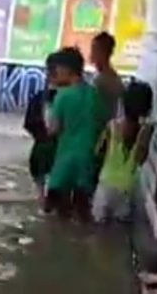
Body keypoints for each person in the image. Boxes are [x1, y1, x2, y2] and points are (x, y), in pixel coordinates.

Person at [46, 47, 107, 221]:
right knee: (82, 212)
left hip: (65, 162)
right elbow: (102, 125)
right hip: (87, 160)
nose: (54, 73)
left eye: (56, 69)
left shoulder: (63, 96)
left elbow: (53, 130)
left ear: (66, 69)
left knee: (57, 216)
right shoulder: (95, 95)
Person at [92, 81, 154, 224]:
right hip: (127, 187)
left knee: (98, 226)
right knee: (120, 226)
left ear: (124, 103)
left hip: (106, 183)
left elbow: (97, 152)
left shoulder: (112, 126)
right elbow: (141, 159)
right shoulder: (145, 131)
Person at [24, 52, 59, 213]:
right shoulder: (68, 97)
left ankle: (42, 203)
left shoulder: (38, 97)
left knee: (40, 187)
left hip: (40, 148)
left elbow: (29, 124)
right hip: (59, 151)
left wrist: (41, 136)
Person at [91, 31, 124, 122]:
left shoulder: (103, 79)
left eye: (94, 50)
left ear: (103, 53)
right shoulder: (106, 75)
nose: (91, 53)